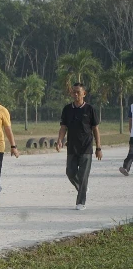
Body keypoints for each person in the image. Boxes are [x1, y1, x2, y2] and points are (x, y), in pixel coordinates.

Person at [55, 82, 102, 210]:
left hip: (86, 147)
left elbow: (95, 129)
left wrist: (98, 147)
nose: (76, 94)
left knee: (83, 175)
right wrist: (59, 140)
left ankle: (80, 202)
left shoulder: (90, 109)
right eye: (74, 92)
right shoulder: (67, 109)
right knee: (70, 172)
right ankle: (83, 187)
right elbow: (63, 127)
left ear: (84, 94)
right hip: (72, 147)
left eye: (78, 92)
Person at [119, 101, 133, 176]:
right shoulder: (132, 106)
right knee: (131, 152)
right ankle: (126, 168)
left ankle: (126, 167)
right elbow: (130, 120)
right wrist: (131, 131)